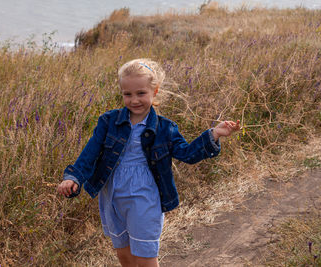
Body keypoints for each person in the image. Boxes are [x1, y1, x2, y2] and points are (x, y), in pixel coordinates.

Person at [57, 58, 240, 267]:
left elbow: (187, 154)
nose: (134, 100)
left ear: (155, 91)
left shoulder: (165, 128)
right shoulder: (109, 122)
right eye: (128, 94)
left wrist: (214, 134)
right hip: (113, 196)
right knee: (124, 256)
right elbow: (89, 154)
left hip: (145, 196)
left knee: (145, 258)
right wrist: (73, 178)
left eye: (141, 93)